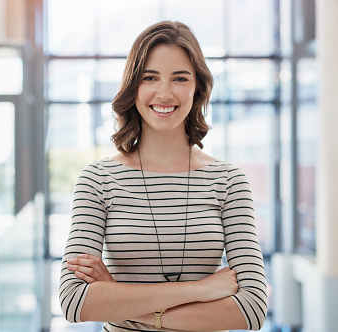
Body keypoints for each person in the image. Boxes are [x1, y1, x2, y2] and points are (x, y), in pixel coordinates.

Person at [59, 21, 267, 331]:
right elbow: (75, 302)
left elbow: (252, 309)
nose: (165, 92)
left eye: (180, 78)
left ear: (197, 87)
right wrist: (201, 290)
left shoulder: (229, 181)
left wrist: (119, 298)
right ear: (134, 86)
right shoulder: (98, 179)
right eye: (150, 78)